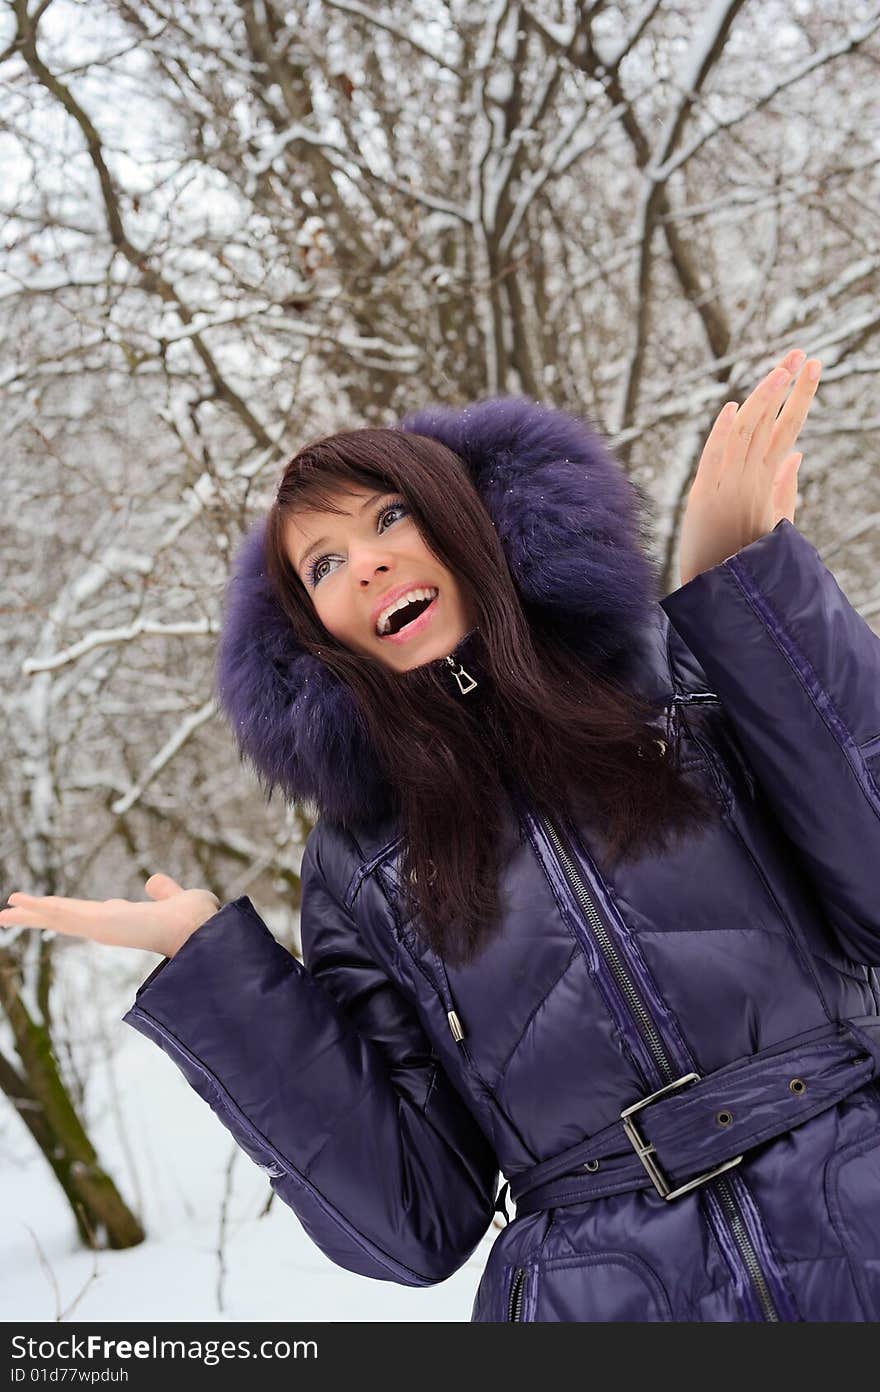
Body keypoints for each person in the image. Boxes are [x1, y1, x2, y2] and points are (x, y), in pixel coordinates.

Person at [5, 348, 880, 1323]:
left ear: (466, 521)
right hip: (602, 1299)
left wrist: (743, 599)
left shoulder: (676, 680)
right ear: (317, 629)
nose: (366, 560)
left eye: (389, 516)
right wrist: (215, 977)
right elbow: (415, 1220)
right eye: (324, 564)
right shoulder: (357, 864)